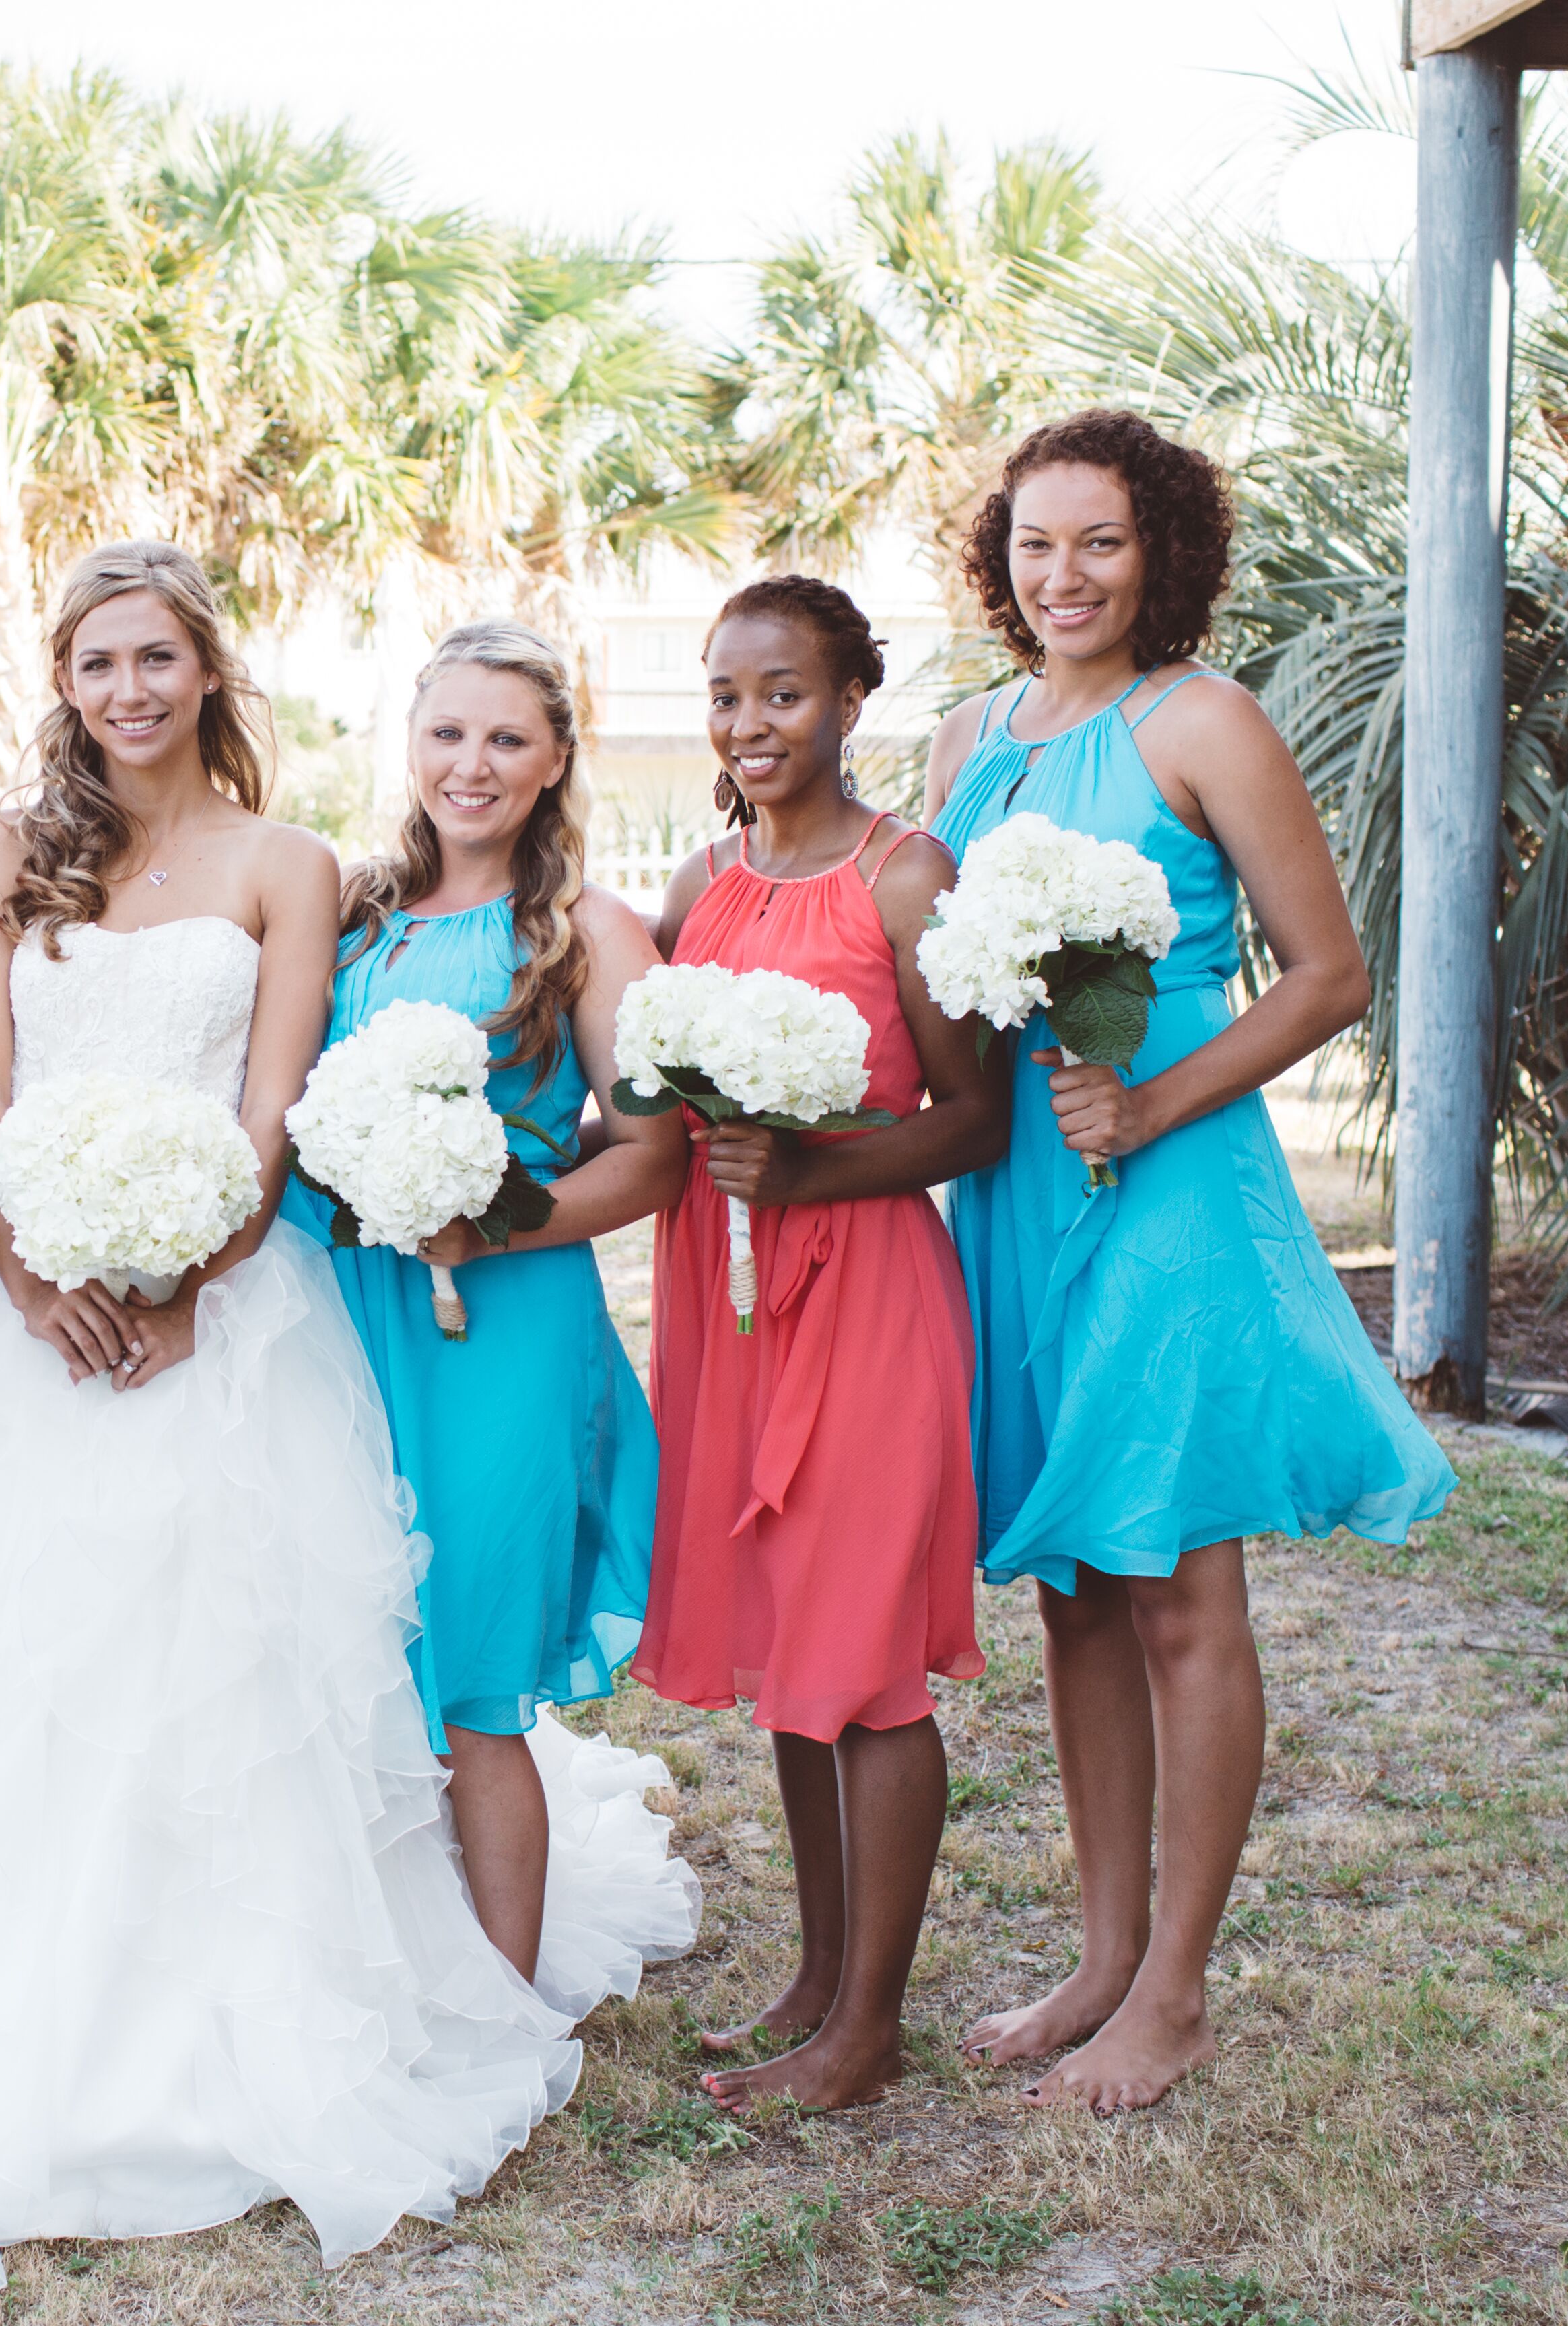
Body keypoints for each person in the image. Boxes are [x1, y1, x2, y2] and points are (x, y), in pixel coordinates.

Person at [0, 543, 693, 2298]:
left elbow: (270, 1106)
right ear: (65, 683)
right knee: (5, 1669)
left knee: (224, 1671)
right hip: (14, 1313)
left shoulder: (286, 871)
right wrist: (41, 1271)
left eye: (157, 660)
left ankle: (232, 2026)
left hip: (227, 1314)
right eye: (96, 663)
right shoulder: (0, 855)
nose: (127, 691)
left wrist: (191, 1272)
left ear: (207, 672)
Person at [924, 410, 1456, 2111]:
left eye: (1097, 541)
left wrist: (1143, 1102)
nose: (1061, 575)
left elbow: (1324, 977)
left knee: (1175, 1587)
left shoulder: (1202, 722)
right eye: (1032, 544)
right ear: (997, 561)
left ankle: (1174, 1990)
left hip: (1164, 1182)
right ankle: (1095, 1956)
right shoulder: (962, 740)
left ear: (1158, 547)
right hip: (1016, 1185)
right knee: (1073, 1581)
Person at [639, 576, 1003, 2112]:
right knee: (788, 1638)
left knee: (862, 1660)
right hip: (723, 1304)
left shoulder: (905, 876)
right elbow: (652, 1102)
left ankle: (866, 2031)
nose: (749, 724)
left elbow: (972, 1120)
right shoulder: (695, 883)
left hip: (860, 1288)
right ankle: (814, 1969)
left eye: (780, 693)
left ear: (850, 698)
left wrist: (808, 1169)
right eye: (726, 696)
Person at [288, 619, 691, 1993]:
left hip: (496, 1326)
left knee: (466, 1673)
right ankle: (371, 1967)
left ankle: (501, 2000)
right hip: (337, 1311)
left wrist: (489, 1217)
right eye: (446, 733)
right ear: (408, 743)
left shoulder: (584, 931)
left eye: (505, 738)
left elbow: (652, 1159)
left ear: (555, 761)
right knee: (342, 1648)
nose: (470, 764)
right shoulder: (346, 918)